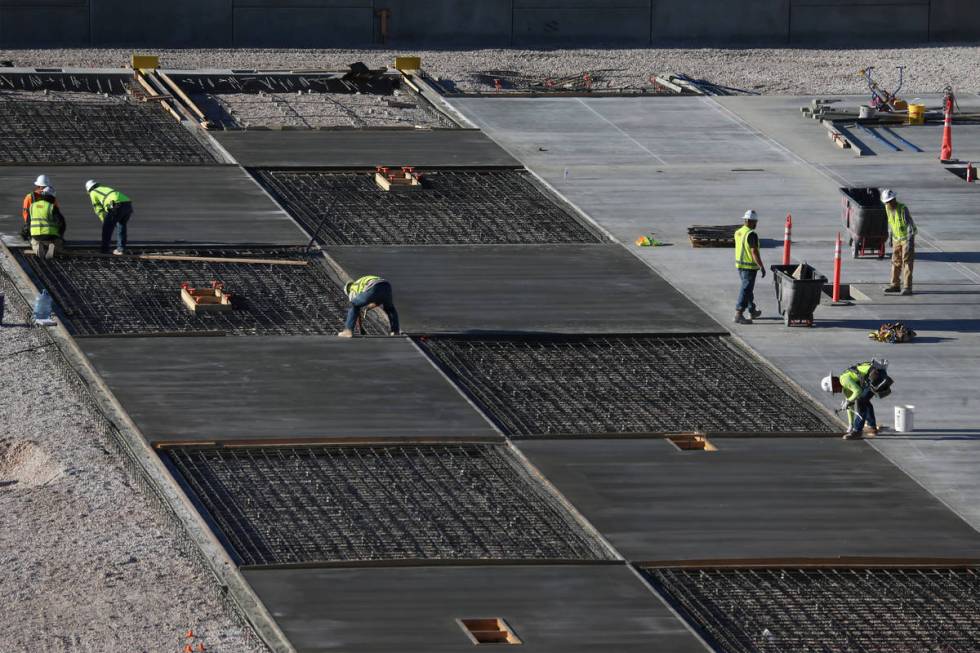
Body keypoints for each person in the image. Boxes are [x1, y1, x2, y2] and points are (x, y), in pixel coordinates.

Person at [821, 358, 893, 440]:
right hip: (876, 374)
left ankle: (857, 431)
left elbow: (857, 391)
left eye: (834, 390)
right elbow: (850, 406)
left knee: (861, 401)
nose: (836, 392)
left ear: (834, 382)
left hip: (876, 374)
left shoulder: (843, 380)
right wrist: (850, 424)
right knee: (865, 401)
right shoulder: (846, 388)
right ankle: (871, 427)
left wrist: (848, 401)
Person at [880, 189, 917, 296]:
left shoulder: (903, 209)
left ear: (894, 199)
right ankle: (895, 285)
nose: (888, 203)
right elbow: (891, 222)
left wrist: (909, 241)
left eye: (890, 201)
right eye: (887, 202)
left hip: (907, 238)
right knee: (895, 261)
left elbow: (910, 225)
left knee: (907, 262)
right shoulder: (888, 208)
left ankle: (907, 287)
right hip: (897, 238)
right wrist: (891, 236)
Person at [734, 209, 765, 325]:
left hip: (740, 265)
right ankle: (739, 313)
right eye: (755, 221)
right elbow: (754, 252)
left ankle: (752, 310)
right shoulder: (751, 234)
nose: (756, 224)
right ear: (752, 221)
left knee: (747, 289)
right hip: (749, 267)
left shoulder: (738, 232)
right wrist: (761, 266)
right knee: (746, 289)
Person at [85, 179, 133, 255]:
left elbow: (98, 209)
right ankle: (121, 250)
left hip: (117, 205)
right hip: (128, 204)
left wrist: (104, 220)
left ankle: (104, 250)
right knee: (121, 227)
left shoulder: (93, 192)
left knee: (106, 229)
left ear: (89, 189)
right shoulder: (104, 188)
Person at [27, 186, 67, 259]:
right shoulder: (51, 207)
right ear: (52, 197)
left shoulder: (32, 206)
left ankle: (37, 247)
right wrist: (60, 235)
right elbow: (61, 223)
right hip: (51, 236)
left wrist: (28, 234)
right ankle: (53, 247)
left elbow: (28, 222)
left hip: (36, 235)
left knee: (34, 242)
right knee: (59, 244)